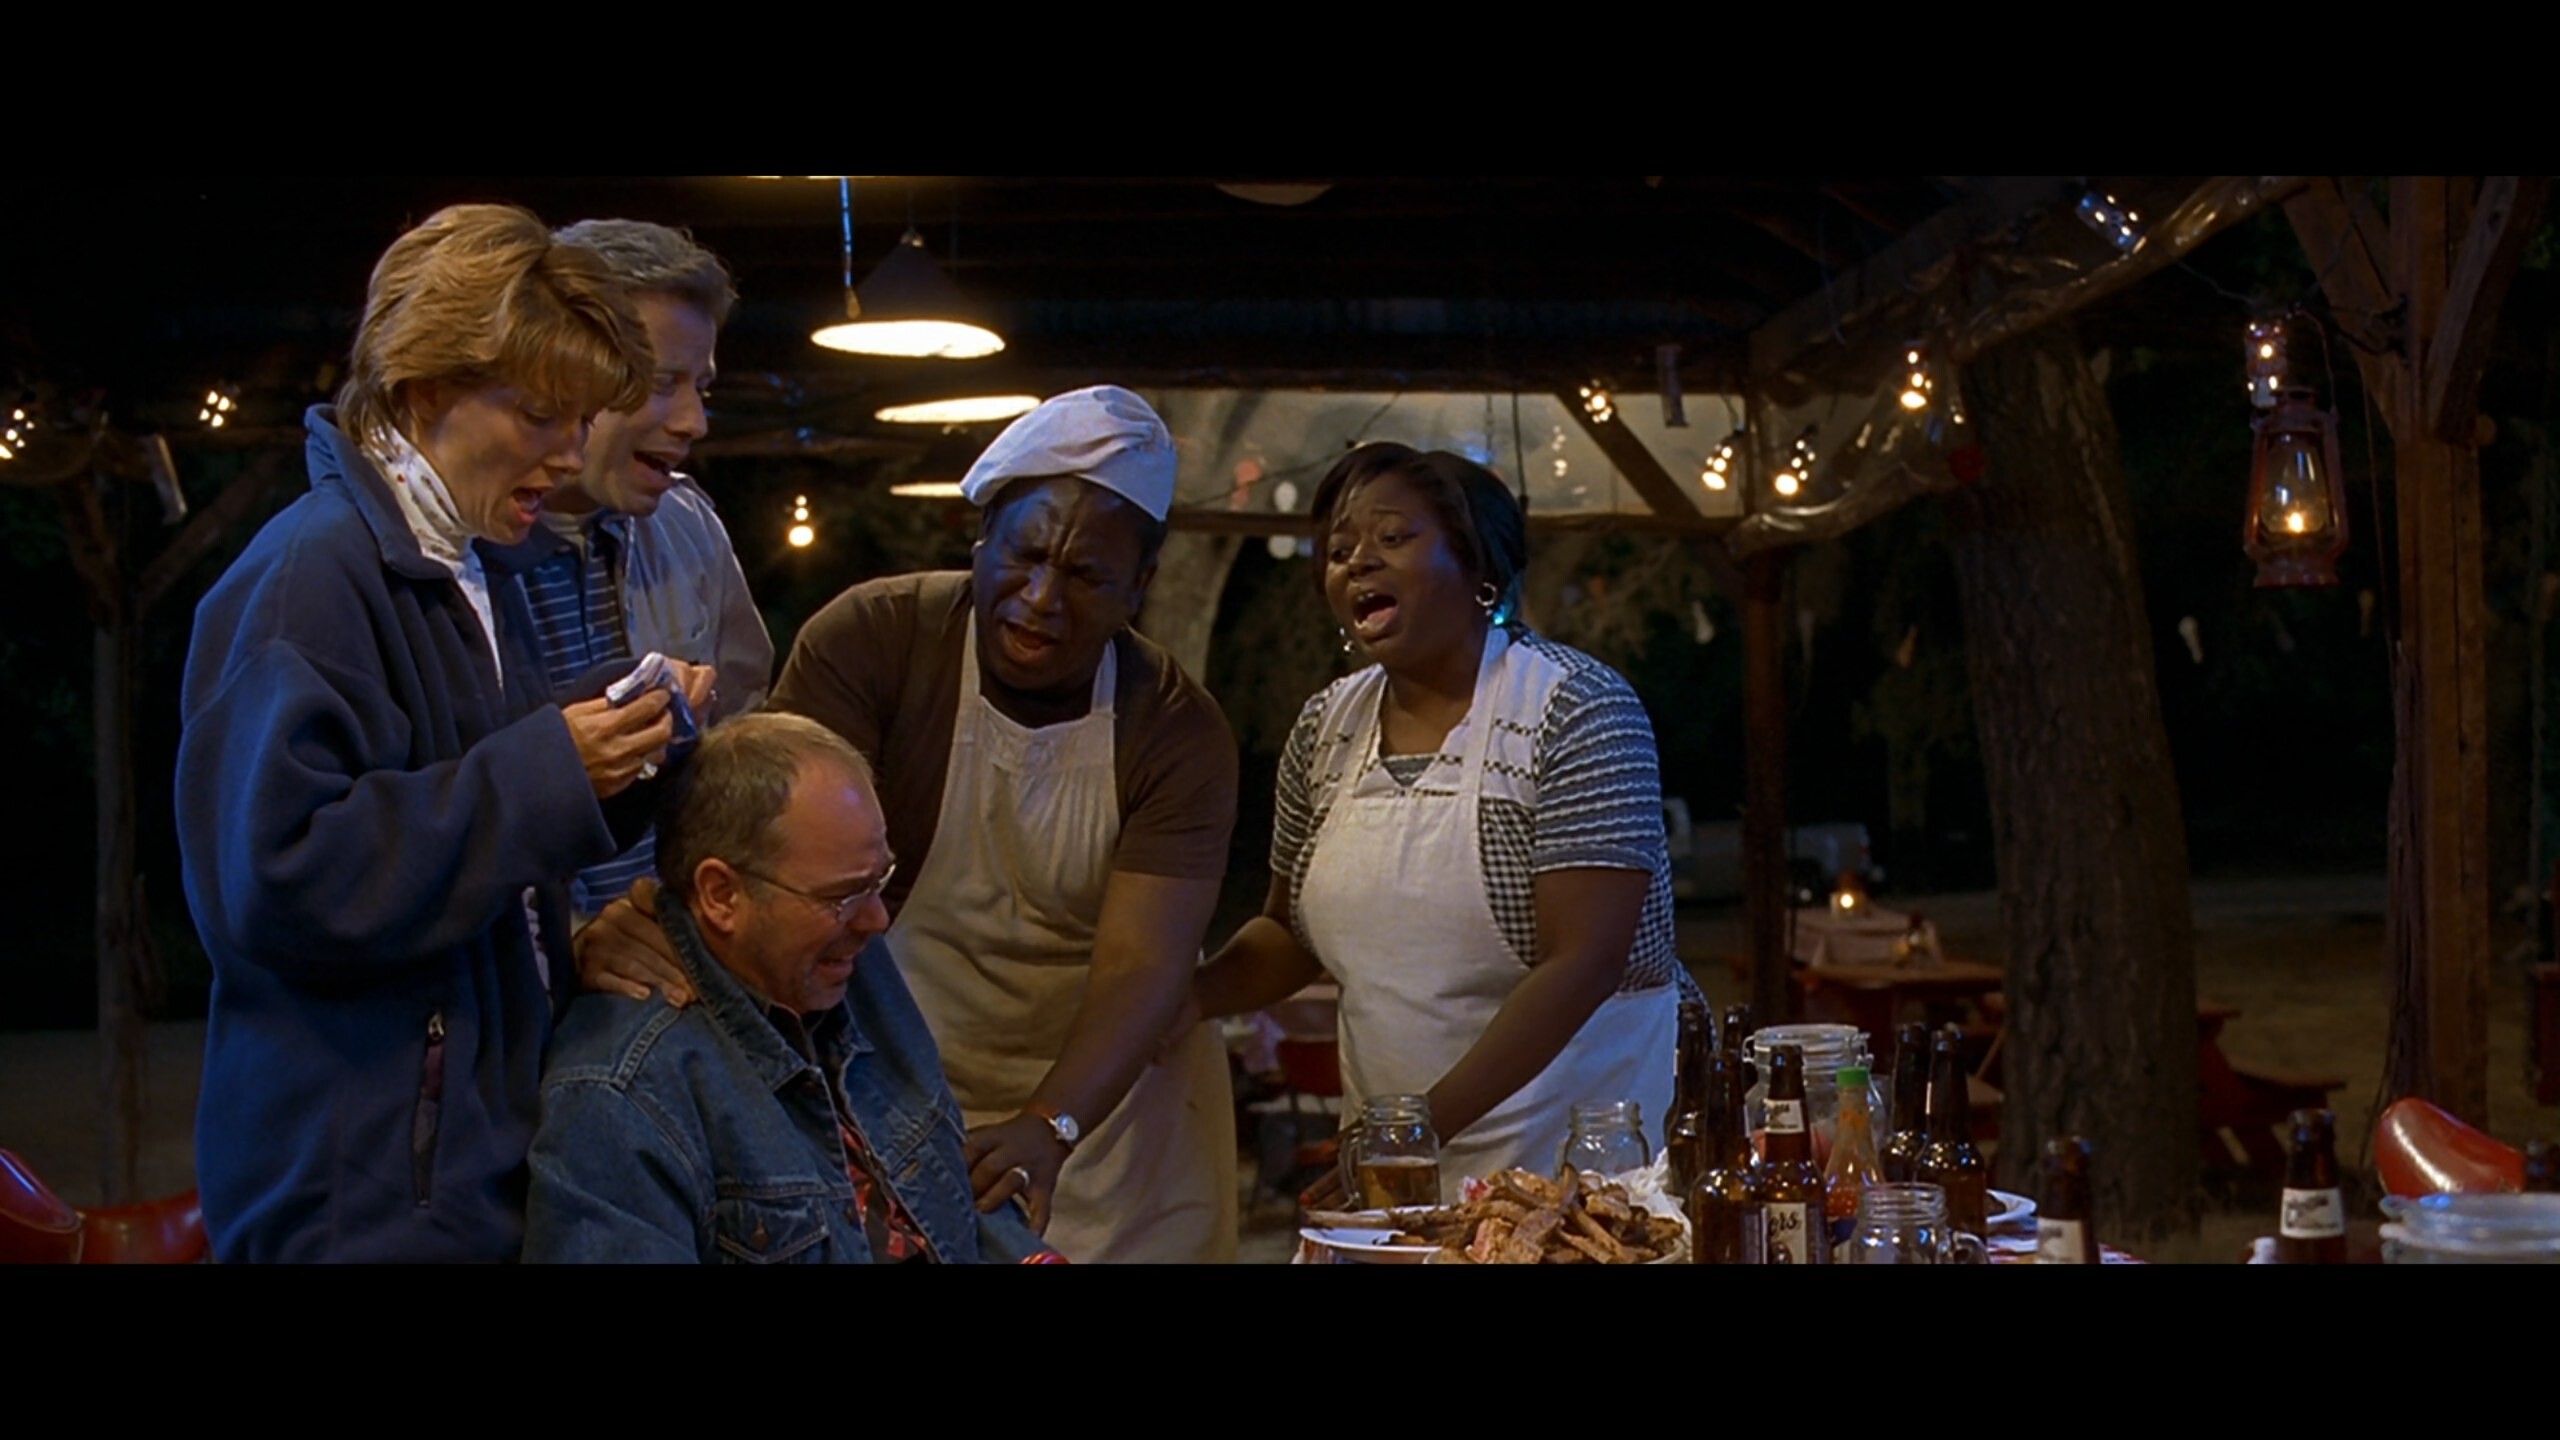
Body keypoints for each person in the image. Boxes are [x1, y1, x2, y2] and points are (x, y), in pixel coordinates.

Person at [581, 385, 1240, 1262]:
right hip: (900, 1080)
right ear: (982, 538)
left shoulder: (1176, 730)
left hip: (1111, 1117)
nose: (1042, 597)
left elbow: (1142, 966)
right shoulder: (876, 640)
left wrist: (1052, 1122)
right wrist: (654, 924)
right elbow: (775, 848)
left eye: (1086, 576)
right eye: (1025, 555)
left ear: (1140, 587)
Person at [175, 204, 671, 1263]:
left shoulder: (460, 567)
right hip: (358, 1193)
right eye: (539, 414)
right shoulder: (310, 577)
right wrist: (549, 770)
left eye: (584, 421)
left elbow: (463, 808)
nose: (569, 456)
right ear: (427, 386)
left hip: (448, 1173)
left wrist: (628, 745)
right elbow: (279, 882)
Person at [1189, 442, 1683, 1202]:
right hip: (1396, 1159)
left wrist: (1417, 1131)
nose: (1358, 562)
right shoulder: (1326, 728)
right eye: (1339, 551)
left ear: (1478, 567)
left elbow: (1584, 961)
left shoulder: (1576, 709)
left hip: (1577, 1157)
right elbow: (1287, 934)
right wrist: (1180, 999)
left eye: (1393, 537)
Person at [525, 714, 1054, 1263]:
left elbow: (945, 1201)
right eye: (842, 896)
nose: (876, 920)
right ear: (721, 894)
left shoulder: (843, 966)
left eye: (879, 878)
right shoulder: (620, 1093)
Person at [497, 218, 772, 920]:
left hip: (674, 942)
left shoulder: (690, 528)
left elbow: (737, 746)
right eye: (659, 382)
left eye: (701, 387)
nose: (693, 421)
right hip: (525, 962)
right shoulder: (460, 550)